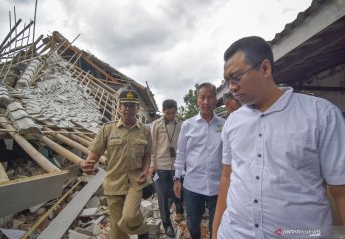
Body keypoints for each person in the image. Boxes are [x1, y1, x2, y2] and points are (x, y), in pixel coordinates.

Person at [212, 36, 345, 239]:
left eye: (236, 77)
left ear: (265, 68)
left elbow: (340, 191)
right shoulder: (233, 122)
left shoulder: (321, 115)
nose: (231, 87)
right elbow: (227, 177)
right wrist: (216, 231)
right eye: (227, 81)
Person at [80, 89, 152, 239]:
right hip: (113, 182)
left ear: (137, 109)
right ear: (119, 107)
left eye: (132, 105)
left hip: (135, 181)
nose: (128, 109)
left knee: (130, 217)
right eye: (125, 105)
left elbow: (147, 156)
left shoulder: (145, 131)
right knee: (117, 229)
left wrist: (146, 170)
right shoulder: (108, 129)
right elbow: (93, 156)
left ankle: (143, 229)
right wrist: (84, 164)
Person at [173, 82, 225, 239]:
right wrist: (177, 178)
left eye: (210, 98)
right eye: (202, 97)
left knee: (216, 224)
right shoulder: (188, 125)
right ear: (197, 100)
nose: (206, 102)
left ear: (216, 100)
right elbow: (181, 152)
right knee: (193, 223)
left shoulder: (224, 125)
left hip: (218, 186)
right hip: (193, 185)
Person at [148, 99, 184, 238]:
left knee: (176, 192)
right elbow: (152, 146)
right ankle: (167, 224)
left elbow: (184, 145)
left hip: (176, 166)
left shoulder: (180, 124)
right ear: (163, 111)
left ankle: (179, 210)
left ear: (176, 111)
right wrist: (152, 164)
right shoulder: (156, 124)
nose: (170, 115)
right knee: (162, 196)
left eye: (173, 113)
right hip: (160, 166)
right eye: (168, 113)